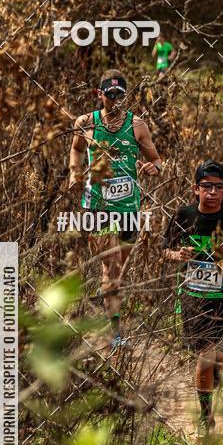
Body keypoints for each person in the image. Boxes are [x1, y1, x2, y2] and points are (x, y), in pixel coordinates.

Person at [68, 69, 163, 349]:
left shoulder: (138, 126)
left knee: (118, 269)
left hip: (128, 208)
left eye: (118, 95)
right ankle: (116, 333)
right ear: (99, 95)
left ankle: (106, 295)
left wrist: (153, 168)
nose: (113, 100)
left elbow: (157, 160)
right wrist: (75, 172)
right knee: (109, 267)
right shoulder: (85, 123)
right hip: (97, 206)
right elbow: (76, 148)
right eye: (108, 95)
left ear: (125, 95)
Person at [163, 160, 223, 433]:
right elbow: (164, 250)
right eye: (206, 187)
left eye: (218, 187)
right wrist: (178, 255)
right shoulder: (183, 215)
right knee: (205, 357)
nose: (212, 192)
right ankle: (205, 418)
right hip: (193, 300)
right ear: (196, 189)